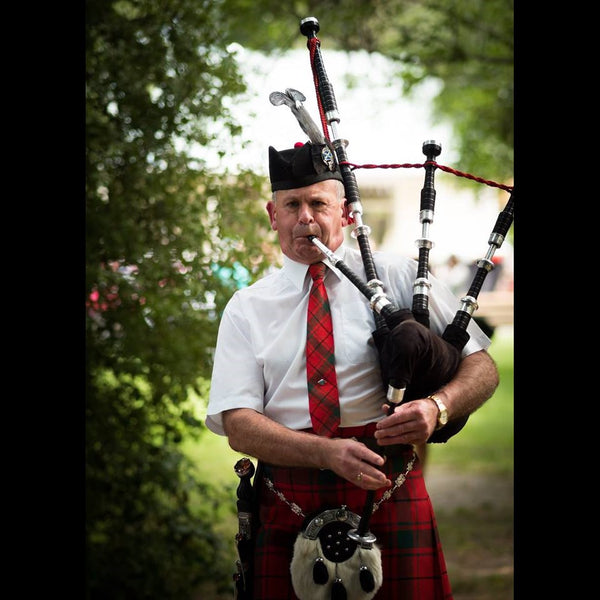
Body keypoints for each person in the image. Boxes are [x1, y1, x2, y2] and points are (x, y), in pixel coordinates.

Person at [206, 141, 499, 600]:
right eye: (292, 205)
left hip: (388, 486)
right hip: (288, 491)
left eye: (318, 203)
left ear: (344, 212)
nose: (305, 217)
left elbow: (482, 367)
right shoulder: (247, 308)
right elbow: (239, 426)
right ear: (272, 214)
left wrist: (438, 407)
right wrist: (325, 453)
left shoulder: (401, 275)